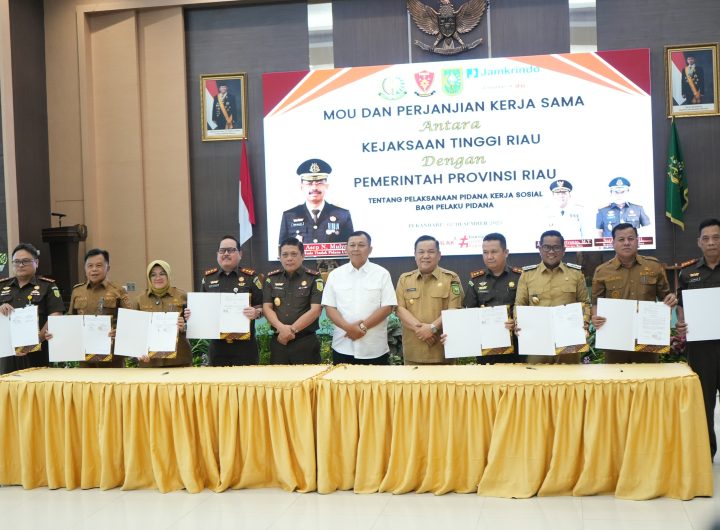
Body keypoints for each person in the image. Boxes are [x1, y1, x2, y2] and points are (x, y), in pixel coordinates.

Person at [591, 223, 676, 364]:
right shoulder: (602, 271)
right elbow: (596, 303)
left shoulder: (654, 266)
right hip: (615, 339)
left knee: (648, 376)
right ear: (613, 243)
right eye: (621, 239)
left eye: (630, 239)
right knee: (616, 376)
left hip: (647, 338)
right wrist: (595, 317)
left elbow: (665, 298)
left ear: (637, 241)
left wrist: (671, 299)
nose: (626, 243)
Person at [676, 219, 720, 459]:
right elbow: (681, 307)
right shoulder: (687, 273)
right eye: (706, 238)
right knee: (703, 401)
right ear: (699, 242)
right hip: (701, 347)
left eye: (716, 237)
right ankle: (706, 452)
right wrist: (681, 324)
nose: (711, 242)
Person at [185, 235, 263, 366]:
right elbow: (202, 310)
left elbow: (262, 306)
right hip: (218, 347)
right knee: (218, 379)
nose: (226, 253)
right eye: (222, 251)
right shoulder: (208, 279)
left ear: (240, 254)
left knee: (246, 379)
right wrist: (192, 315)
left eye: (231, 250)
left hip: (245, 347)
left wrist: (256, 313)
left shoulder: (251, 278)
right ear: (217, 254)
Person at [514, 230, 589, 364]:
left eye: (556, 247)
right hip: (537, 338)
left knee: (570, 375)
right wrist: (518, 323)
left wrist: (585, 324)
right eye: (546, 247)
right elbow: (520, 305)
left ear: (563, 250)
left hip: (569, 338)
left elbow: (585, 303)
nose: (551, 251)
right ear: (540, 249)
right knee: (537, 375)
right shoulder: (527, 275)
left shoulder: (575, 274)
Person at [321, 231, 396, 365]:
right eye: (352, 245)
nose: (356, 249)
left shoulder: (382, 274)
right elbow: (330, 308)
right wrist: (349, 329)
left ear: (370, 249)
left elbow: (387, 307)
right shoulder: (335, 275)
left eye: (361, 245)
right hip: (343, 346)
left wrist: (362, 327)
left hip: (374, 348)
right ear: (346, 249)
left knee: (375, 380)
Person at [395, 235, 463, 365]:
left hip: (442, 353)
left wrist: (432, 328)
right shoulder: (405, 279)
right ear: (415, 255)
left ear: (439, 255)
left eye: (431, 252)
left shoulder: (451, 278)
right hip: (413, 352)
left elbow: (454, 308)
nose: (426, 256)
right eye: (421, 252)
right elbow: (399, 309)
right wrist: (421, 330)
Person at [0, 243, 64, 375]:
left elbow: (56, 315)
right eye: (17, 261)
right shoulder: (2, 286)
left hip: (37, 351)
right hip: (6, 353)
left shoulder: (48, 286)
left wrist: (36, 341)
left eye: (26, 261)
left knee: (36, 385)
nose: (21, 265)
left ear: (36, 262)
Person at [263, 238, 324, 364]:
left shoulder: (314, 278)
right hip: (279, 342)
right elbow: (267, 308)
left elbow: (316, 310)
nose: (289, 258)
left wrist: (291, 331)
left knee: (308, 377)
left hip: (305, 342)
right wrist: (281, 328)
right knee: (278, 377)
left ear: (303, 256)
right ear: (280, 257)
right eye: (285, 255)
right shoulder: (271, 278)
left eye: (294, 254)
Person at [68, 248, 132, 368]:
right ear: (85, 268)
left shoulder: (118, 291)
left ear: (108, 268)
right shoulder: (77, 291)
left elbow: (130, 321)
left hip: (112, 357)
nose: (94, 269)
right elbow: (71, 320)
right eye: (90, 266)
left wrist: (120, 331)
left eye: (99, 265)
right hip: (85, 356)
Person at [463, 233, 521, 363]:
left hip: (516, 346)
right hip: (486, 348)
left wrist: (517, 321)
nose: (489, 256)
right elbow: (469, 313)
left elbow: (527, 309)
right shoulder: (476, 280)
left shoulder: (520, 278)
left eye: (494, 252)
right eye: (485, 252)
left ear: (506, 252)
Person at [278, 159, 354, 245]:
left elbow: (350, 248)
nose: (314, 188)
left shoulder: (342, 215)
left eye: (319, 183)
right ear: (301, 187)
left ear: (326, 186)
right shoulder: (289, 216)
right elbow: (282, 249)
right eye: (309, 183)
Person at [134, 260, 191, 368]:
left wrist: (184, 327)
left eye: (162, 274)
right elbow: (134, 331)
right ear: (149, 278)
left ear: (168, 275)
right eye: (153, 275)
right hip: (150, 361)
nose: (158, 278)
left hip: (179, 360)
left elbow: (195, 325)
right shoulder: (140, 300)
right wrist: (137, 352)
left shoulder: (182, 296)